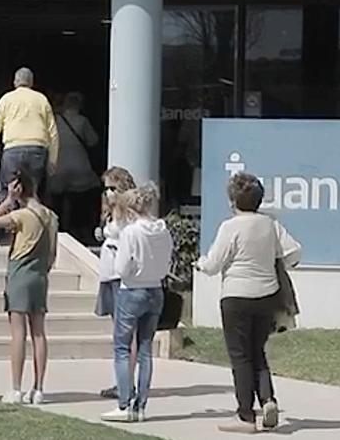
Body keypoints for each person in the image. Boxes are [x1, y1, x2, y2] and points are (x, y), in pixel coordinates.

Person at [197, 172, 302, 434]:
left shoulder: (230, 227)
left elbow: (213, 264)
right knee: (258, 351)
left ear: (232, 200)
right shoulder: (270, 224)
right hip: (266, 295)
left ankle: (245, 415)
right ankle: (268, 399)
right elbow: (294, 253)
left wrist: (199, 264)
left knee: (240, 356)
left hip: (236, 296)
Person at [100, 183, 173, 424]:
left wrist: (132, 271)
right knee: (145, 349)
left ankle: (125, 403)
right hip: (156, 289)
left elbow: (122, 267)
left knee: (122, 348)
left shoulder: (131, 232)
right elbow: (166, 261)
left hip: (132, 289)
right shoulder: (163, 230)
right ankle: (140, 405)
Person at [0, 167, 58, 405]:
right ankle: (39, 388)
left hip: (19, 274)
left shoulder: (21, 216)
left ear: (19, 189)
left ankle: (16, 388)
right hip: (40, 275)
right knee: (39, 332)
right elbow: (52, 254)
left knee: (18, 332)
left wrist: (8, 200)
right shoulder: (50, 216)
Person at [94, 166, 137, 399]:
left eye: (113, 188)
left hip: (122, 276)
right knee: (118, 331)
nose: (109, 193)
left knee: (127, 333)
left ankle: (127, 382)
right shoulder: (110, 212)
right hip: (108, 274)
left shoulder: (130, 213)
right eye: (106, 188)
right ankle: (121, 379)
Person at [0, 67, 59, 204]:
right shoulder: (42, 99)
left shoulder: (6, 99)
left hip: (12, 150)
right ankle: (32, 222)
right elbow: (53, 132)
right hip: (37, 150)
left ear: (15, 82)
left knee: (8, 193)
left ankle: (11, 222)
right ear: (31, 83)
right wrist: (53, 160)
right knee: (33, 193)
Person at [49, 91, 101, 239]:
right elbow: (93, 141)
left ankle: (57, 230)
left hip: (58, 166)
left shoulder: (55, 121)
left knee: (57, 200)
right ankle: (78, 228)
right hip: (79, 166)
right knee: (81, 197)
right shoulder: (82, 121)